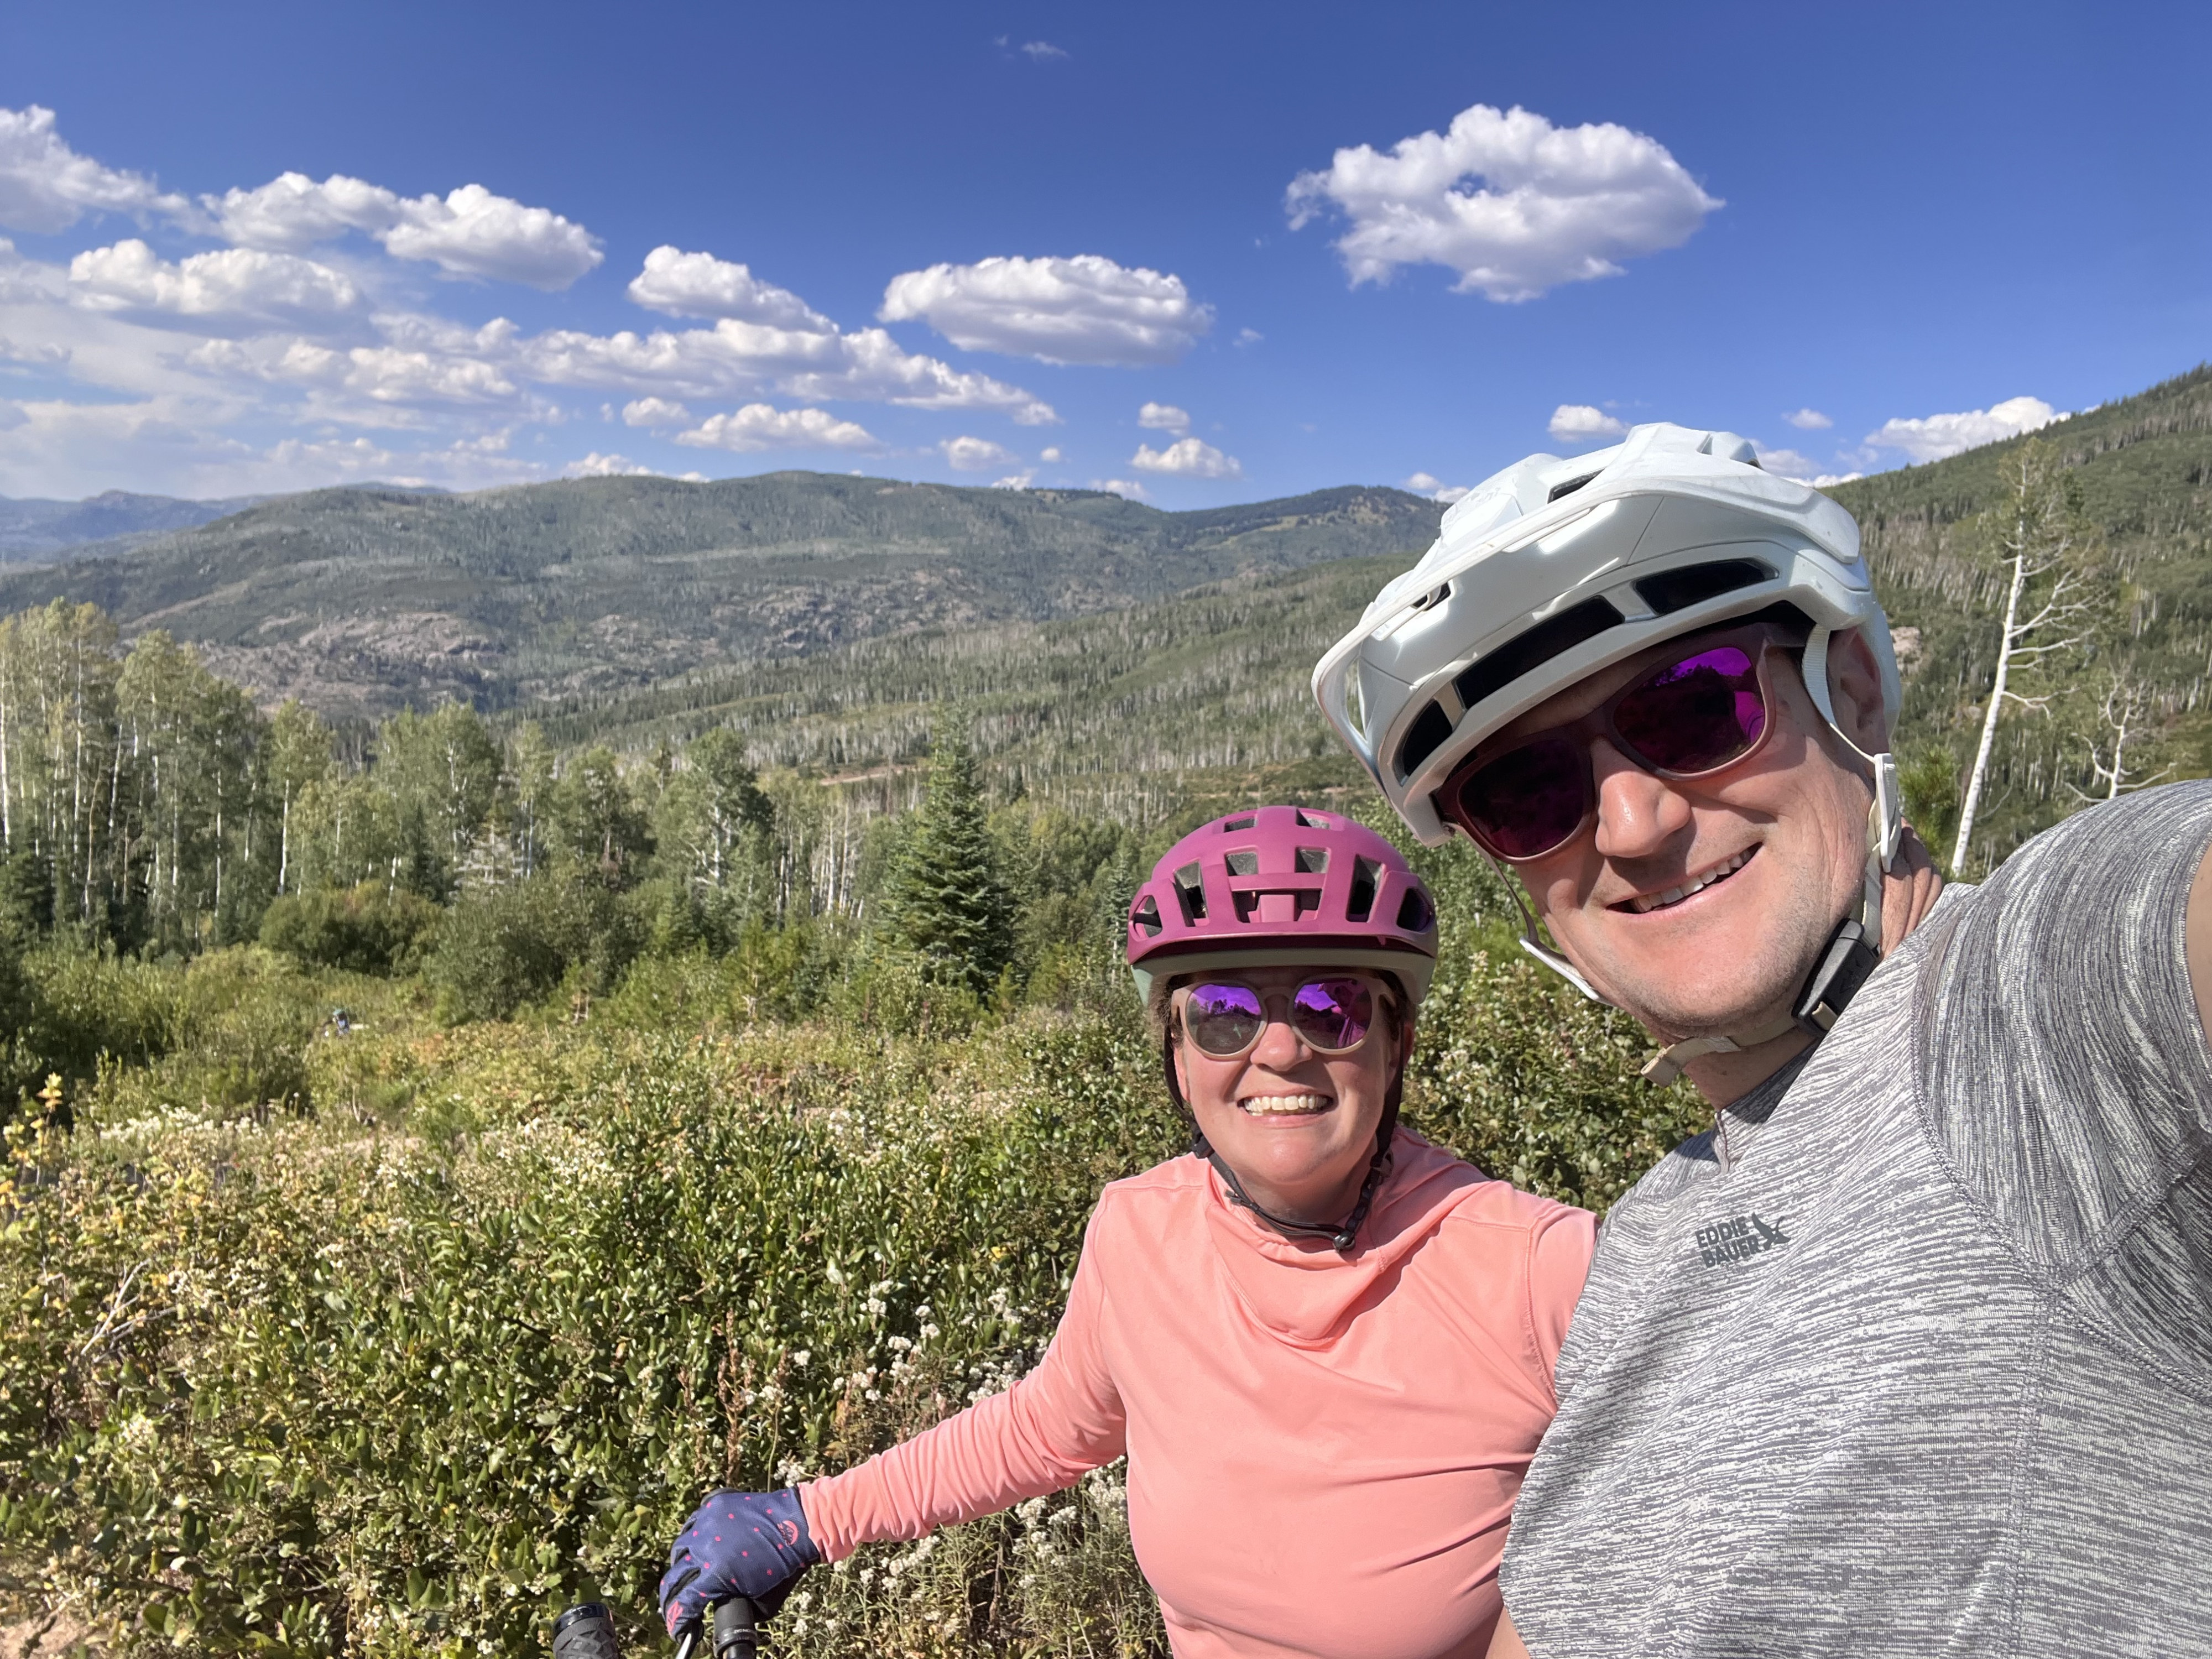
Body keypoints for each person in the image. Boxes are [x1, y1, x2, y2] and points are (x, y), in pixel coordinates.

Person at [1314, 422, 2212, 1657]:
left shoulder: (2026, 1014)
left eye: (1695, 708)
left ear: (1853, 691)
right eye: (1526, 794)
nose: (1630, 825)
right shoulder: (1644, 1244)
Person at [658, 806, 1595, 1659]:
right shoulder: (1143, 1231)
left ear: (1397, 1045)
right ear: (1178, 1061)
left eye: (1333, 1006)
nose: (1279, 1048)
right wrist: (811, 1519)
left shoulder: (1538, 1271)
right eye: (1224, 1014)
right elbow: (1044, 1428)